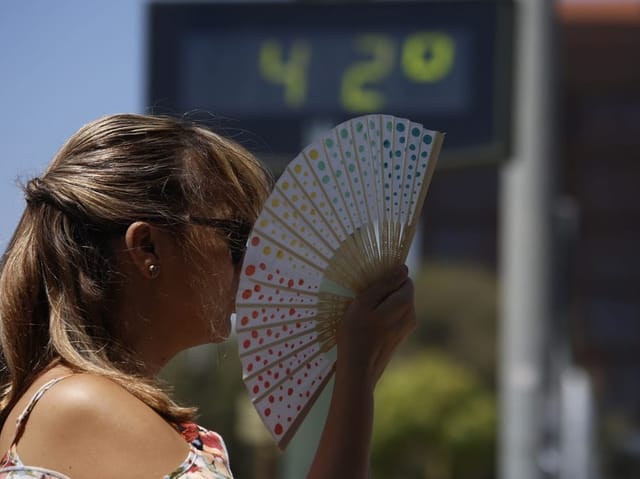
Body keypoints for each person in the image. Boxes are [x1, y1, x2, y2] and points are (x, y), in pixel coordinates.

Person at [0, 113, 416, 479]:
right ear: (146, 247)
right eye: (237, 237)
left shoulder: (74, 400)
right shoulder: (83, 405)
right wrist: (357, 374)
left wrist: (358, 372)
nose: (255, 262)